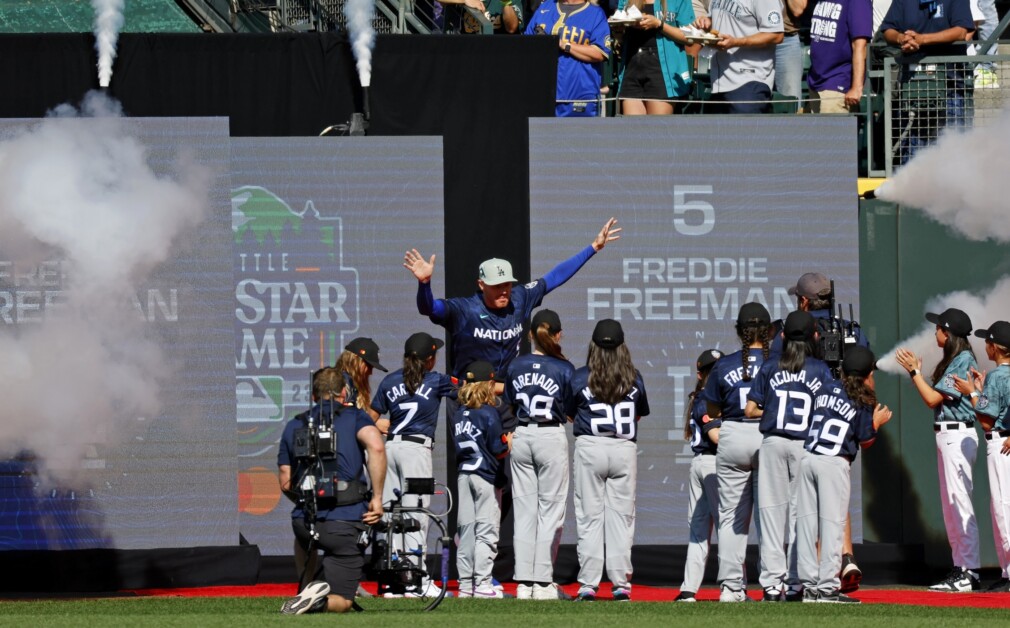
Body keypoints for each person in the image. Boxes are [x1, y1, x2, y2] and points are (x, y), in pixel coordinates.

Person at [405, 217, 621, 386]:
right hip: (468, 396)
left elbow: (554, 277)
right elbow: (429, 308)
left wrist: (593, 247)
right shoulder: (464, 309)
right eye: (496, 286)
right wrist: (424, 284)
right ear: (481, 284)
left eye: (507, 284)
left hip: (505, 395)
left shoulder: (520, 297)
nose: (503, 291)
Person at [780, 271, 869, 591]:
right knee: (835, 492)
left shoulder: (795, 328)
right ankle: (845, 556)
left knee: (804, 497)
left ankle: (813, 570)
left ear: (804, 300)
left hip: (802, 417)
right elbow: (865, 372)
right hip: (842, 417)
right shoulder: (850, 329)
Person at [277, 368, 386, 614]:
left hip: (305, 524)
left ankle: (305, 588)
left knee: (307, 537)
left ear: (314, 394)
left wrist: (305, 502)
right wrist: (377, 499)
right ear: (344, 391)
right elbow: (377, 447)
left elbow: (285, 479)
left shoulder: (296, 423)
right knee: (343, 601)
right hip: (345, 522)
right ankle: (316, 601)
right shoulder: (356, 417)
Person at [746, 310, 835, 602]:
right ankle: (797, 582)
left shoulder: (771, 366)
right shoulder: (821, 370)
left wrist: (771, 411)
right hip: (804, 444)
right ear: (814, 337)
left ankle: (772, 585)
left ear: (783, 336)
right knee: (802, 515)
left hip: (773, 442)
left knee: (771, 514)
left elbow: (750, 410)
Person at [795, 346, 892, 604]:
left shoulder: (826, 387)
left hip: (808, 457)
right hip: (833, 463)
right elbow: (865, 439)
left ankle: (809, 587)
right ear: (867, 374)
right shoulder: (862, 398)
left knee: (806, 524)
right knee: (832, 525)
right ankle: (827, 588)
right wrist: (876, 423)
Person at [894, 307, 981, 592]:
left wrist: (915, 372)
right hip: (947, 436)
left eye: (938, 328)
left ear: (949, 332)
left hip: (958, 435)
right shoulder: (956, 358)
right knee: (951, 506)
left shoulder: (963, 358)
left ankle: (969, 571)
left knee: (960, 504)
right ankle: (961, 568)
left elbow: (932, 399)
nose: (935, 332)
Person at [565, 319, 650, 601]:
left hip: (590, 445)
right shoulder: (634, 377)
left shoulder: (579, 376)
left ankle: (588, 583)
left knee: (589, 518)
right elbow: (638, 414)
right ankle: (621, 584)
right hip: (624, 448)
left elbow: (570, 414)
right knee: (622, 520)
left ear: (593, 345)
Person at [369, 332, 456, 598]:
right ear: (429, 360)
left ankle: (395, 580)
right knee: (416, 513)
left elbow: (368, 418)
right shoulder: (436, 380)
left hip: (390, 448)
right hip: (415, 450)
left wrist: (379, 425)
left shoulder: (390, 380)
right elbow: (469, 390)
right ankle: (417, 579)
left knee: (392, 514)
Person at [700, 302, 774, 603]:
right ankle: (772, 586)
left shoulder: (725, 364)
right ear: (769, 331)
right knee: (771, 516)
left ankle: (731, 588)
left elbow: (712, 409)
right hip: (768, 435)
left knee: (731, 517)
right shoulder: (779, 362)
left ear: (738, 332)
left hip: (732, 434)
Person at [504, 309, 576, 600]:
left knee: (525, 512)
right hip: (550, 435)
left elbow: (509, 405)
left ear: (530, 334)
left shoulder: (516, 365)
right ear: (558, 335)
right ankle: (543, 583)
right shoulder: (565, 368)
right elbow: (571, 413)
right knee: (551, 510)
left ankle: (524, 584)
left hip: (522, 434)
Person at [952, 320, 1010, 593]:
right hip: (1001, 443)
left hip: (1001, 446)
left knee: (1004, 511)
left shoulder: (1000, 375)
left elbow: (986, 422)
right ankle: (1008, 574)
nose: (984, 344)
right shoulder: (999, 376)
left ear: (996, 347)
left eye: (987, 340)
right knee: (1001, 510)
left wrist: (972, 392)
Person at [879, 0, 974, 164]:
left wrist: (922, 39)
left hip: (951, 86)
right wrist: (902, 38)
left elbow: (961, 32)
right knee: (915, 151)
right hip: (914, 87)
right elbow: (888, 30)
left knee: (955, 145)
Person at [452, 360, 512, 598]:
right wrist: (510, 442)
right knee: (486, 532)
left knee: (466, 531)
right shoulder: (489, 412)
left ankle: (466, 585)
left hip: (464, 475)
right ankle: (484, 584)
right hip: (485, 476)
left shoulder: (459, 413)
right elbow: (499, 449)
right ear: (488, 383)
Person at [676, 348, 724, 603]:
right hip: (713, 464)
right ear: (701, 373)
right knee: (727, 528)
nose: (717, 373)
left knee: (699, 531)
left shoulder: (704, 396)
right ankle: (732, 588)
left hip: (702, 464)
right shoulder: (707, 398)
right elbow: (716, 437)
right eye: (711, 370)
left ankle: (688, 590)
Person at [692, 0, 784, 113]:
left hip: (749, 81)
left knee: (744, 130)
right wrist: (706, 22)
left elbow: (776, 34)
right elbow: (717, 21)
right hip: (719, 81)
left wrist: (737, 42)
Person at [525, 0, 613, 117]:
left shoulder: (595, 13)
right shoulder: (545, 7)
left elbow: (600, 53)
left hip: (579, 96)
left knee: (576, 134)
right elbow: (525, 45)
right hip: (542, 94)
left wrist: (564, 45)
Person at [614, 0, 694, 115]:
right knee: (632, 129)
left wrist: (659, 24)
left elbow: (690, 37)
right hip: (632, 66)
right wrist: (618, 30)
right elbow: (620, 34)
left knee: (657, 129)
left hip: (662, 71)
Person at [807, 0, 873, 113]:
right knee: (814, 130)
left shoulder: (857, 2)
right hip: (816, 80)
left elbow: (860, 45)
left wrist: (856, 88)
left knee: (832, 130)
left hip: (837, 82)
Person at [336, 337, 388, 419]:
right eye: (369, 366)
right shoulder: (343, 382)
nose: (371, 373)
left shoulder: (351, 383)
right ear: (355, 360)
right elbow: (345, 419)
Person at [440, 0, 524, 34]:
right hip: (470, 53)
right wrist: (465, 0)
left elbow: (512, 28)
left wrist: (506, 3)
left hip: (500, 54)